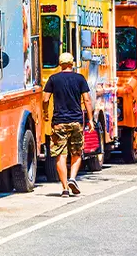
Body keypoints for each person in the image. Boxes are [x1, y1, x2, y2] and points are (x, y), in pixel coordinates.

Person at [43, 53, 92, 197]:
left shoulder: (53, 79)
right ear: (72, 63)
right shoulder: (80, 79)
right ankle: (72, 178)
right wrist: (90, 120)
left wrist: (46, 112)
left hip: (59, 122)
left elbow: (45, 99)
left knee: (60, 155)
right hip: (76, 121)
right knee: (76, 153)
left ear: (60, 64)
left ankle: (65, 188)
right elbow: (87, 100)